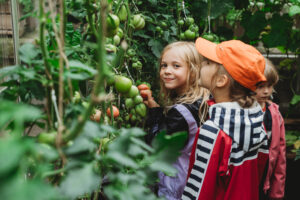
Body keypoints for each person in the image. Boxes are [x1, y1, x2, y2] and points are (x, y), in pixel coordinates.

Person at [182, 38, 269, 200]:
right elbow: (260, 170)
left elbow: (199, 189)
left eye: (207, 62)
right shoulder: (258, 121)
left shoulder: (212, 131)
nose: (201, 64)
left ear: (221, 81)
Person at [142, 41, 210, 200]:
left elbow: (157, 146)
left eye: (176, 66)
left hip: (176, 183)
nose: (167, 71)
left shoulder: (180, 113)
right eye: (164, 65)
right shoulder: (202, 101)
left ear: (193, 71)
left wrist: (154, 113)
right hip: (193, 177)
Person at [256, 58, 286, 200]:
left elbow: (280, 154)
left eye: (270, 86)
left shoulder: (274, 114)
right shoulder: (240, 112)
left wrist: (277, 192)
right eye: (260, 86)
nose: (266, 91)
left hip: (264, 182)